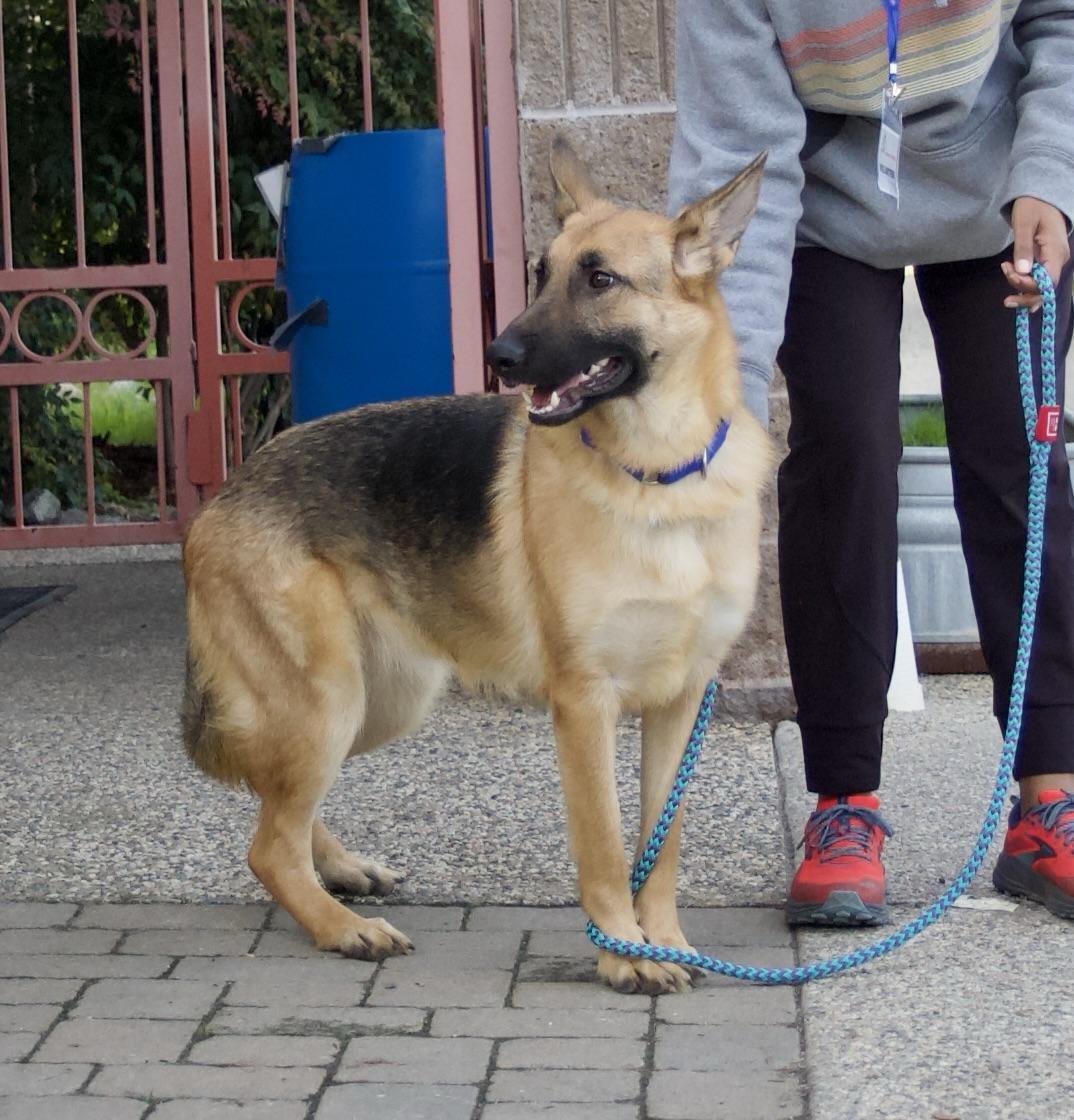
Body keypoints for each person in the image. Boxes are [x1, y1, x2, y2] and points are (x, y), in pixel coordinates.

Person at [669, 0, 1074, 925]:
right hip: (827, 205)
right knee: (845, 454)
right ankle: (843, 803)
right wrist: (724, 398)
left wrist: (1051, 175)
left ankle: (1050, 800)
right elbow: (737, 167)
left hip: (1006, 186)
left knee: (1019, 459)